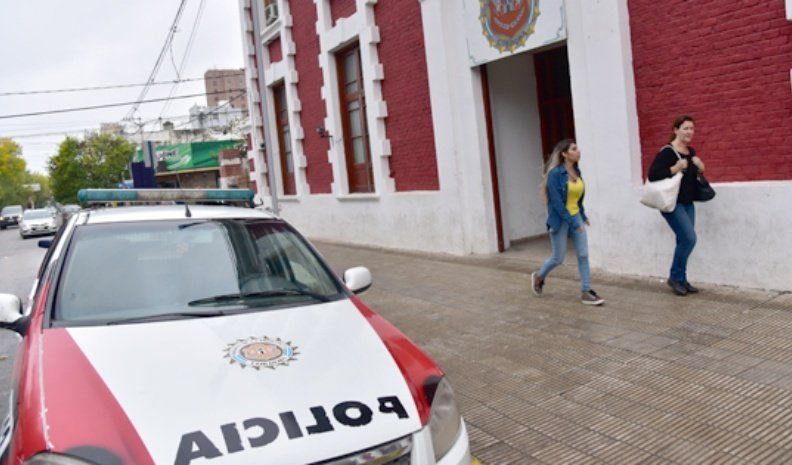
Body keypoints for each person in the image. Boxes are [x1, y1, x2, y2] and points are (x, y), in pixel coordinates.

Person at [531, 139, 605, 306]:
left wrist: (582, 216)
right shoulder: (555, 174)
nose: (578, 151)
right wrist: (573, 223)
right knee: (558, 258)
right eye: (574, 149)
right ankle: (539, 276)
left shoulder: (577, 171)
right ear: (564, 154)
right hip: (560, 219)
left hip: (575, 216)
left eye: (577, 148)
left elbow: (577, 198)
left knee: (583, 255)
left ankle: (586, 291)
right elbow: (557, 203)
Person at [647, 115, 706, 296]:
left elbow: (696, 174)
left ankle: (682, 279)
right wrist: (676, 167)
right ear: (676, 130)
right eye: (685, 128)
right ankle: (674, 277)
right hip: (672, 203)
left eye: (692, 129)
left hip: (688, 203)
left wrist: (700, 165)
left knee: (683, 241)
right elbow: (653, 175)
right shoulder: (667, 152)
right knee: (689, 238)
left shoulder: (691, 151)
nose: (689, 132)